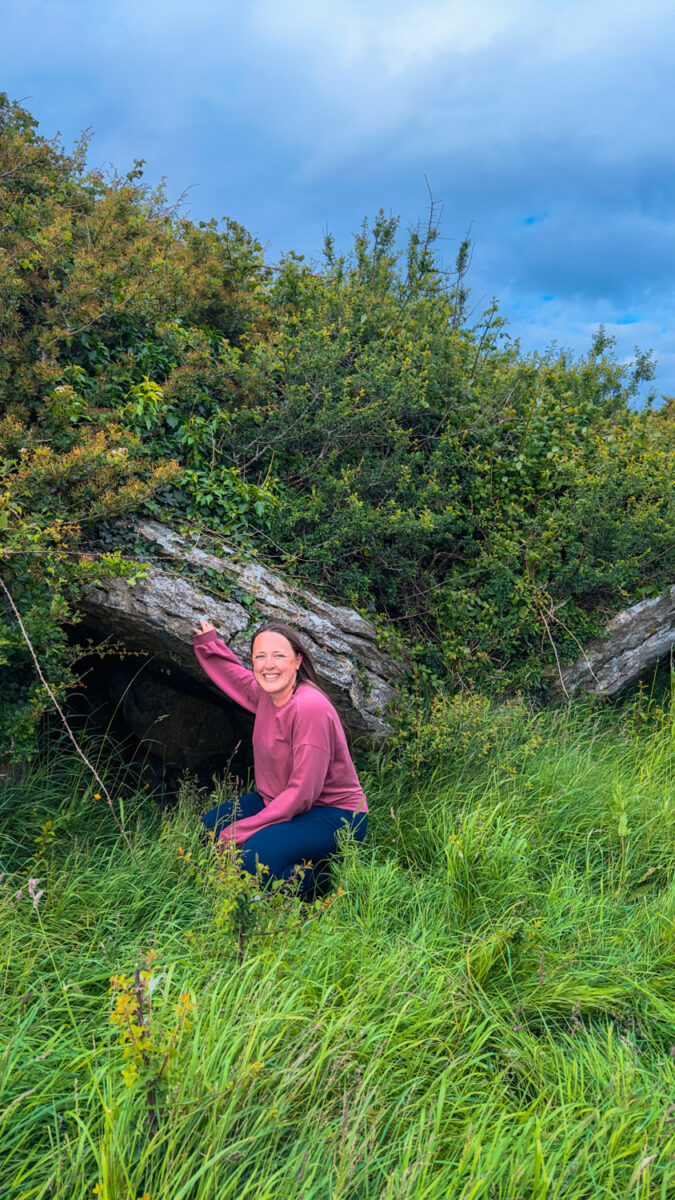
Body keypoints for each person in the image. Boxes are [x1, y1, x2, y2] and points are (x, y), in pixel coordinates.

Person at [192, 618, 368, 894]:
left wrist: (243, 829)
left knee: (251, 858)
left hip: (333, 813)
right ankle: (291, 858)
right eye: (259, 657)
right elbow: (237, 679)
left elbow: (302, 794)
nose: (268, 665)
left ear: (297, 661)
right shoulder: (268, 693)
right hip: (277, 801)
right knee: (207, 832)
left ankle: (324, 878)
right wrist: (209, 645)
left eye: (278, 656)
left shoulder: (309, 707)